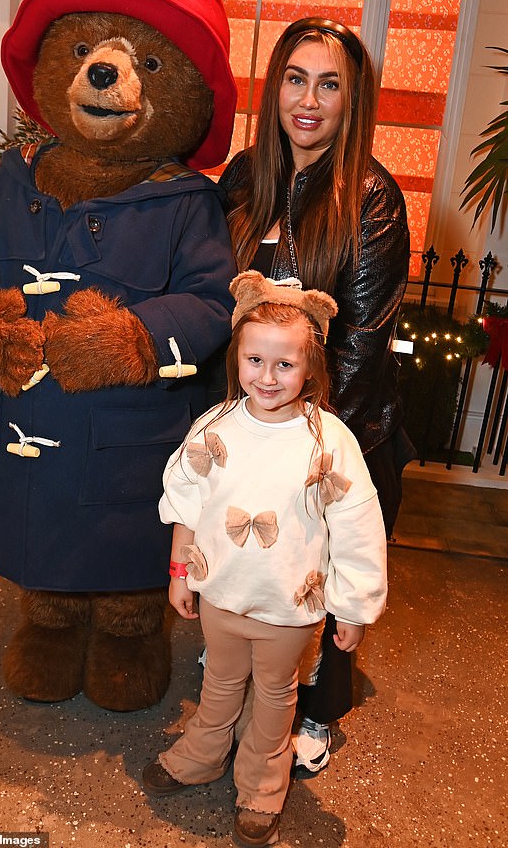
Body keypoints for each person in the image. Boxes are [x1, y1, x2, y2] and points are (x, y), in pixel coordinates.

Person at [218, 17, 413, 775]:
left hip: (337, 433)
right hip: (252, 421)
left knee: (324, 579)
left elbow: (361, 343)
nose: (309, 99)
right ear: (275, 90)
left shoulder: (372, 195)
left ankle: (318, 711)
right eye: (296, 79)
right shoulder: (242, 178)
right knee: (254, 556)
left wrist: (311, 447)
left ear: (351, 99)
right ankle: (246, 675)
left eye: (329, 84)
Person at [142, 270, 388, 848]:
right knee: (221, 684)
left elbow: (356, 525)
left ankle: (262, 785)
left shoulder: (328, 441)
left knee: (276, 698)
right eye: (256, 361)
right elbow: (186, 504)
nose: (268, 377)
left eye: (286, 365)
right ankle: (202, 753)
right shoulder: (215, 426)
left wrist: (351, 606)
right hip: (222, 595)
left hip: (289, 607)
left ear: (311, 369)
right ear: (238, 359)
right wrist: (180, 571)